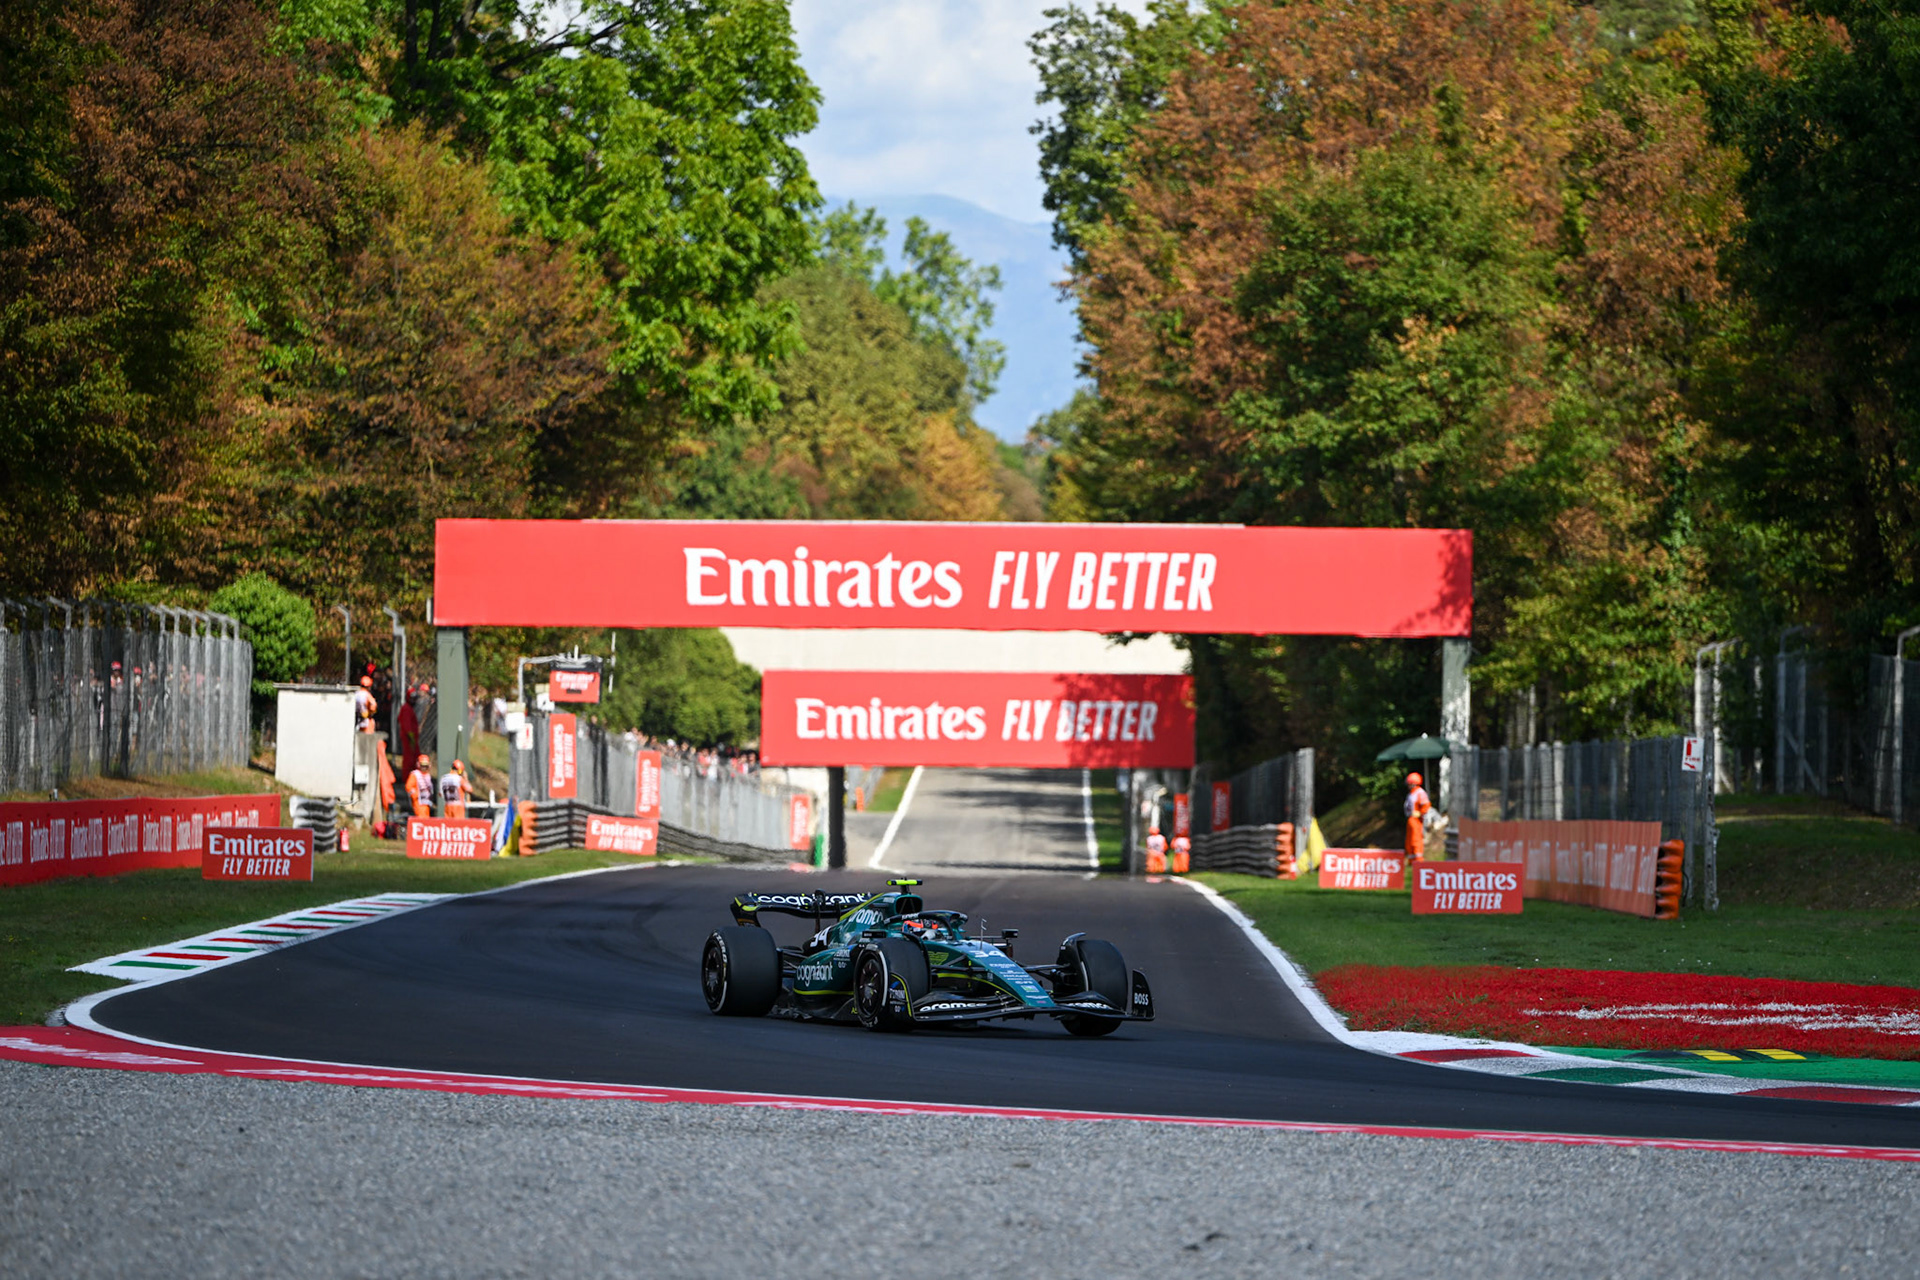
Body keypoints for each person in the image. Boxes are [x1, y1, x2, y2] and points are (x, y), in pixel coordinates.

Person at [1404, 771, 1432, 860]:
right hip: (1411, 819)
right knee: (1409, 841)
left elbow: (1426, 805)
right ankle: (1411, 860)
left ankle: (1418, 861)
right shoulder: (1412, 793)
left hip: (1416, 820)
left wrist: (1420, 813)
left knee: (1416, 840)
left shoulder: (1420, 793)